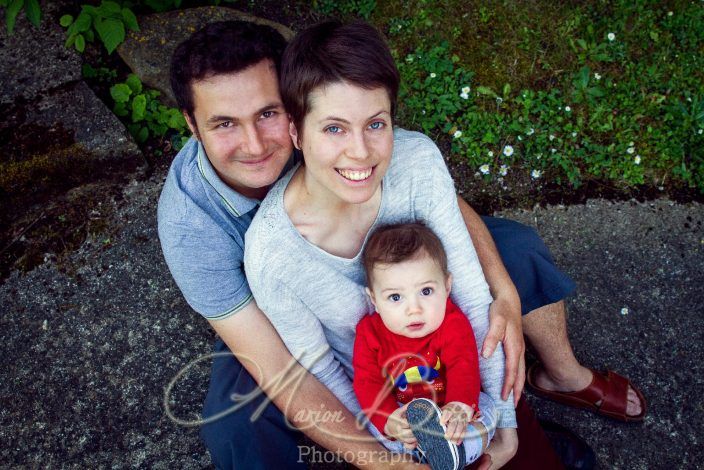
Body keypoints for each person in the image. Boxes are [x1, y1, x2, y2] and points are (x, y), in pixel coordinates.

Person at [156, 18, 632, 470]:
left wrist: (502, 293)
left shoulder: (350, 130)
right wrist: (382, 457)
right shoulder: (197, 231)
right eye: (224, 124)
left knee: (513, 255)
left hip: (407, 257)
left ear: (290, 108)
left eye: (267, 114)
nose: (256, 144)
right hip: (281, 314)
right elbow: (290, 369)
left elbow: (425, 187)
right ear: (192, 126)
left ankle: (557, 380)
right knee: (241, 427)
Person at [243, 19, 522, 466]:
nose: (360, 152)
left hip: (460, 385)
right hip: (385, 407)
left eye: (375, 124)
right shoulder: (272, 257)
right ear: (296, 131)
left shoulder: (417, 164)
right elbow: (322, 373)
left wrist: (504, 427)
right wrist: (386, 453)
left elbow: (471, 299)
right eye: (334, 128)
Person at [354, 222, 500, 469]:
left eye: (426, 291)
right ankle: (423, 454)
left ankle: (457, 452)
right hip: (403, 410)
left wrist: (459, 406)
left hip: (449, 407)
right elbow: (367, 381)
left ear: (447, 287)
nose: (414, 309)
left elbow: (463, 365)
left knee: (488, 410)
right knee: (374, 429)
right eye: (395, 297)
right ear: (374, 300)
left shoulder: (452, 323)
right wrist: (389, 419)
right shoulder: (370, 333)